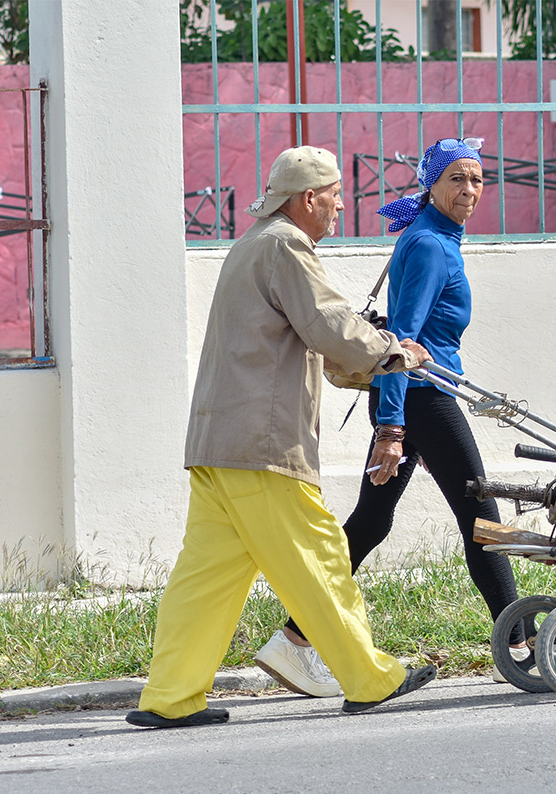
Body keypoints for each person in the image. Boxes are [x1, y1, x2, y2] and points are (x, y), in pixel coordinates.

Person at [125, 146, 437, 728]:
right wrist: (394, 351)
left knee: (204, 581)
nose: (343, 205)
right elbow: (327, 324)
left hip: (220, 444)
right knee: (320, 554)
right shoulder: (286, 245)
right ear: (308, 198)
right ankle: (369, 678)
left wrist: (371, 358)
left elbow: (307, 337)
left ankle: (170, 696)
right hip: (265, 447)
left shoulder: (250, 245)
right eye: (335, 195)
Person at [255, 137, 526, 698]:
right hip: (421, 396)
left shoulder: (434, 237)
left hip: (412, 395)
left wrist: (391, 417)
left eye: (477, 179)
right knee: (482, 513)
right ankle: (523, 644)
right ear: (431, 183)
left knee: (373, 522)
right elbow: (402, 340)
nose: (470, 190)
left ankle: (294, 639)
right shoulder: (429, 244)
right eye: (457, 178)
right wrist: (393, 428)